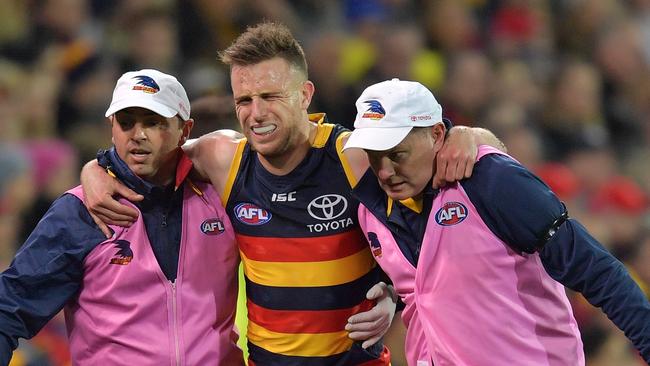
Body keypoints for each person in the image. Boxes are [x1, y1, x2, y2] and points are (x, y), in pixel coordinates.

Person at [81, 23, 505, 365]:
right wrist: (96, 169)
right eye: (244, 99)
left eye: (270, 96)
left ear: (305, 95)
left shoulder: (353, 157)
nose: (256, 113)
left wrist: (469, 135)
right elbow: (148, 158)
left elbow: (459, 154)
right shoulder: (223, 158)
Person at [343, 78, 650, 365]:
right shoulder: (370, 209)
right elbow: (425, 286)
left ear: (436, 134)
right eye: (375, 155)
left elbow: (593, 268)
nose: (384, 171)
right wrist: (389, 298)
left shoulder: (489, 179)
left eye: (397, 155)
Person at [0, 69, 244, 365]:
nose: (137, 135)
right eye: (126, 122)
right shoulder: (80, 211)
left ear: (185, 129)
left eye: (153, 123)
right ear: (111, 127)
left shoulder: (223, 194)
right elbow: (10, 307)